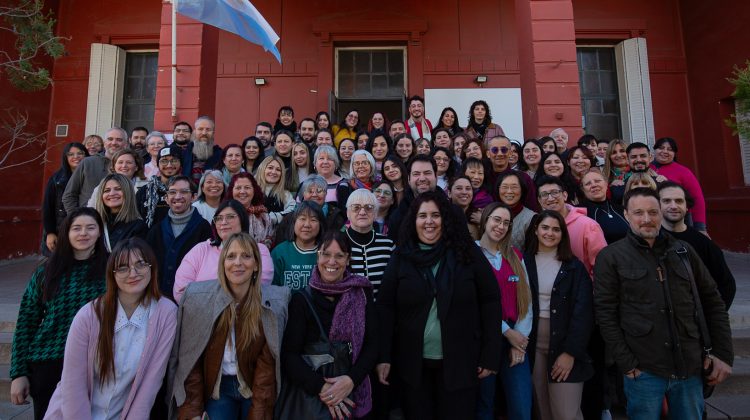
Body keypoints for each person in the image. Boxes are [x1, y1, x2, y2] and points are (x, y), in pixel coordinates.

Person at [594, 188, 733, 419]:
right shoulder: (611, 257)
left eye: (652, 212)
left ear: (661, 214)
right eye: (638, 213)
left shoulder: (683, 251)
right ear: (626, 215)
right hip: (643, 369)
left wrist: (723, 353)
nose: (646, 219)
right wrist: (626, 362)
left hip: (689, 366)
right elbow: (605, 312)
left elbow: (712, 302)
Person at [377, 191, 502, 419]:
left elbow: (490, 300)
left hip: (461, 363)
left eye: (435, 215)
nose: (429, 222)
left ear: (445, 218)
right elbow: (385, 306)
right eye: (422, 215)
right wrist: (384, 356)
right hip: (412, 367)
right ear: (413, 220)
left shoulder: (467, 252)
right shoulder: (401, 256)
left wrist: (490, 353)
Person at [43, 238, 177, 419]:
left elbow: (151, 383)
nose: (133, 273)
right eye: (122, 267)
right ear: (112, 274)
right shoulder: (89, 315)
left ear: (152, 268)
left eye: (141, 264)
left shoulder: (166, 313)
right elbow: (73, 382)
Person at [169, 232, 290, 419]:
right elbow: (190, 362)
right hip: (218, 388)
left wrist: (259, 414)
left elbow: (266, 371)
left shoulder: (272, 303)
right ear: (223, 264)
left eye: (246, 256)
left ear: (257, 264)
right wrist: (192, 412)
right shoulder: (199, 300)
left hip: (251, 386)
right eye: (231, 256)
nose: (238, 262)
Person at [10, 208, 108, 419]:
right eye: (77, 228)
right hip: (49, 361)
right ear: (67, 233)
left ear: (100, 232)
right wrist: (19, 373)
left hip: (95, 362)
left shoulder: (112, 269)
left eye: (91, 228)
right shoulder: (46, 271)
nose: (83, 233)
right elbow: (26, 320)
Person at [281, 231, 378, 419]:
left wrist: (351, 381)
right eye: (326, 254)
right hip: (310, 397)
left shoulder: (362, 294)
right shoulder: (301, 300)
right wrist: (324, 389)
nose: (332, 262)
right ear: (318, 256)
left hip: (353, 392)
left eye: (339, 256)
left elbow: (372, 345)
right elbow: (289, 356)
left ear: (348, 259)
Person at [525, 210, 594, 420]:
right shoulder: (523, 261)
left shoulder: (574, 267)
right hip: (533, 344)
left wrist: (570, 352)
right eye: (545, 227)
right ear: (536, 230)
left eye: (556, 229)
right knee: (542, 409)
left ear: (563, 234)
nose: (550, 233)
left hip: (564, 344)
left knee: (566, 413)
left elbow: (584, 313)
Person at [475, 203, 533, 420]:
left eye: (506, 223)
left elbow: (526, 302)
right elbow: (474, 302)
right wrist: (507, 332)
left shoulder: (515, 256)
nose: (500, 226)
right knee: (484, 406)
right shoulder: (472, 254)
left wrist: (519, 339)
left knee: (521, 408)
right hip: (484, 342)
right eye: (496, 220)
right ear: (486, 220)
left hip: (515, 342)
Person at [174, 199, 274, 303]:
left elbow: (260, 286)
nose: (223, 222)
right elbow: (180, 291)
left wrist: (204, 293)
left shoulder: (259, 250)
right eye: (219, 218)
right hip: (203, 316)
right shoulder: (201, 250)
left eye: (230, 217)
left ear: (242, 219)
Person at [658, 181, 736, 308]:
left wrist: (712, 317)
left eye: (679, 201)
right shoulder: (649, 239)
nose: (673, 206)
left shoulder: (704, 243)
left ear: (687, 206)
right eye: (666, 201)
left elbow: (726, 284)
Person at [146, 175, 212, 298]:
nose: (177, 196)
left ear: (193, 197)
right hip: (159, 298)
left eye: (184, 192)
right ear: (166, 198)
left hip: (192, 299)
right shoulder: (156, 230)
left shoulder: (204, 228)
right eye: (172, 192)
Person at [536, 176, 606, 276]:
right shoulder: (537, 225)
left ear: (565, 195)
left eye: (555, 192)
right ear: (539, 200)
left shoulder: (588, 225)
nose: (550, 198)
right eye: (544, 195)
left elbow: (602, 266)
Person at [63, 127, 127, 212]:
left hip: (121, 219)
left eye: (119, 140)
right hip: (90, 219)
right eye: (110, 139)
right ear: (104, 143)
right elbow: (69, 195)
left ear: (126, 144)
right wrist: (77, 218)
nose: (114, 143)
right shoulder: (87, 163)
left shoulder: (130, 165)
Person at [344, 189, 395, 296]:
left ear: (376, 213)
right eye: (356, 207)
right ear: (348, 213)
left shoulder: (388, 245)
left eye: (369, 208)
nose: (362, 212)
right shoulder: (337, 244)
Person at [653, 137, 708, 234]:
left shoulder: (683, 172)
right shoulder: (646, 168)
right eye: (661, 148)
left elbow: (697, 198)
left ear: (674, 154)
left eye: (670, 149)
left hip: (679, 219)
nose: (664, 151)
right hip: (653, 219)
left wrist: (700, 227)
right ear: (655, 149)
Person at [42, 142, 88, 253]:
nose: (76, 157)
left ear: (86, 156)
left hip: (86, 229)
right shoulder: (56, 178)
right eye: (71, 154)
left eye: (80, 153)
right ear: (65, 157)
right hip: (61, 230)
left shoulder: (91, 177)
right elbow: (48, 206)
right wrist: (50, 232)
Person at [271, 201, 324, 291]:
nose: (307, 225)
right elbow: (272, 289)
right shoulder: (279, 252)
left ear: (321, 225)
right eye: (302, 218)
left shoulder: (326, 252)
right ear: (294, 223)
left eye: (313, 220)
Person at [94, 173, 148, 251]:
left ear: (128, 192)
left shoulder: (139, 227)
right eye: (107, 190)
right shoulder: (95, 225)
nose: (112, 193)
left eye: (118, 189)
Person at [487, 136, 539, 211]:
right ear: (488, 154)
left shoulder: (523, 178)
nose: (500, 154)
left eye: (504, 150)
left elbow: (532, 208)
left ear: (510, 153)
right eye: (495, 150)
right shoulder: (483, 178)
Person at [136, 145, 183, 228]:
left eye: (174, 160)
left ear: (181, 163)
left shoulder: (188, 190)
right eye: (164, 161)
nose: (169, 165)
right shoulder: (144, 192)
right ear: (158, 164)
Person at [579, 170, 629, 244]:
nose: (594, 185)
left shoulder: (620, 209)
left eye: (597, 181)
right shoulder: (580, 213)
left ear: (606, 184)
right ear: (583, 190)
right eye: (588, 184)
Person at [225, 172, 273, 248]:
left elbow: (270, 239)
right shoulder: (224, 215)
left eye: (247, 187)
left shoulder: (264, 216)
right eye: (238, 188)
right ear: (231, 191)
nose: (242, 192)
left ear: (254, 190)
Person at [496, 171, 536, 250]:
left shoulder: (532, 218)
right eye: (504, 187)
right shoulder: (490, 213)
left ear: (522, 190)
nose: (509, 191)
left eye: (514, 187)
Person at [255, 156, 296, 227]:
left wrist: (274, 217)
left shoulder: (285, 194)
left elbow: (293, 211)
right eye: (270, 168)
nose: (274, 172)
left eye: (278, 170)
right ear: (263, 169)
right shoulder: (252, 189)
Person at [181, 116, 223, 186]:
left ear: (213, 133)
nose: (204, 133)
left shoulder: (220, 154)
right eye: (200, 129)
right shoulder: (184, 153)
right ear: (195, 131)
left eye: (208, 129)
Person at [449, 176, 479, 240]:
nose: (464, 192)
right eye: (459, 188)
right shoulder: (443, 215)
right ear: (449, 193)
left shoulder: (479, 216)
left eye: (468, 189)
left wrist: (483, 222)